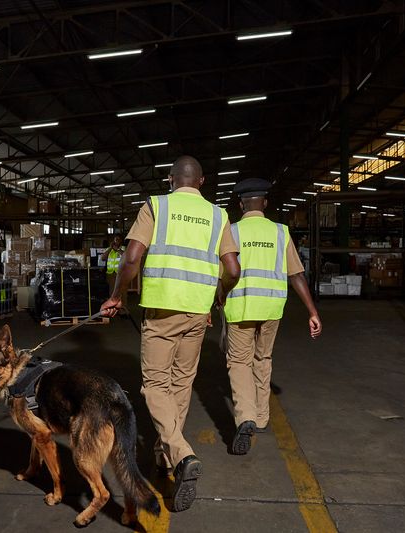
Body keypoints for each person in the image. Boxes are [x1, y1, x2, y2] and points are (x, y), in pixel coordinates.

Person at [100, 155, 241, 512]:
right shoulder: (218, 215)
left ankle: (181, 453)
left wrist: (117, 294)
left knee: (154, 385)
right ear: (202, 181)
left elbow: (132, 257)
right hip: (197, 311)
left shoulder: (156, 207)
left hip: (163, 309)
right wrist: (218, 296)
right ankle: (165, 458)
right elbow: (234, 269)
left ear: (170, 179)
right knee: (180, 384)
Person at [223, 178, 322, 456]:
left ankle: (246, 418)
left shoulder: (232, 232)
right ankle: (263, 417)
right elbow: (296, 275)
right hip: (271, 309)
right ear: (265, 203)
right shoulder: (281, 232)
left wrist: (215, 301)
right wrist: (312, 312)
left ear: (241, 204)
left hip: (241, 308)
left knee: (239, 363)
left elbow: (227, 272)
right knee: (262, 358)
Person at [101, 234, 128, 314]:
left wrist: (117, 250)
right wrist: (110, 248)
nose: (116, 241)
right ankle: (113, 310)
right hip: (111, 274)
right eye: (115, 240)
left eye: (118, 239)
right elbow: (103, 258)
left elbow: (126, 256)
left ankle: (123, 310)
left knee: (122, 292)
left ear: (121, 241)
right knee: (112, 292)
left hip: (121, 274)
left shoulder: (124, 248)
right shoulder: (108, 249)